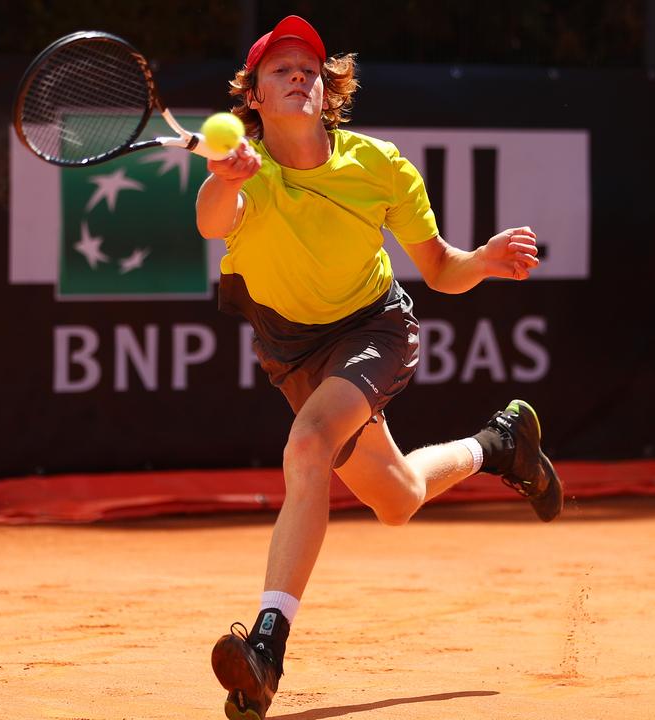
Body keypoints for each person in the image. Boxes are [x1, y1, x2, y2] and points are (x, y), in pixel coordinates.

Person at [195, 15, 563, 720]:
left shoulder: (380, 164)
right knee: (395, 500)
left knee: (307, 446)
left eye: (311, 68)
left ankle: (266, 650)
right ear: (256, 99)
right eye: (282, 70)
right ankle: (499, 445)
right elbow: (215, 221)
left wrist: (481, 261)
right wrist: (222, 176)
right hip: (292, 349)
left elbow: (440, 269)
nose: (300, 75)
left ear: (328, 90)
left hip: (374, 329)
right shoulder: (248, 172)